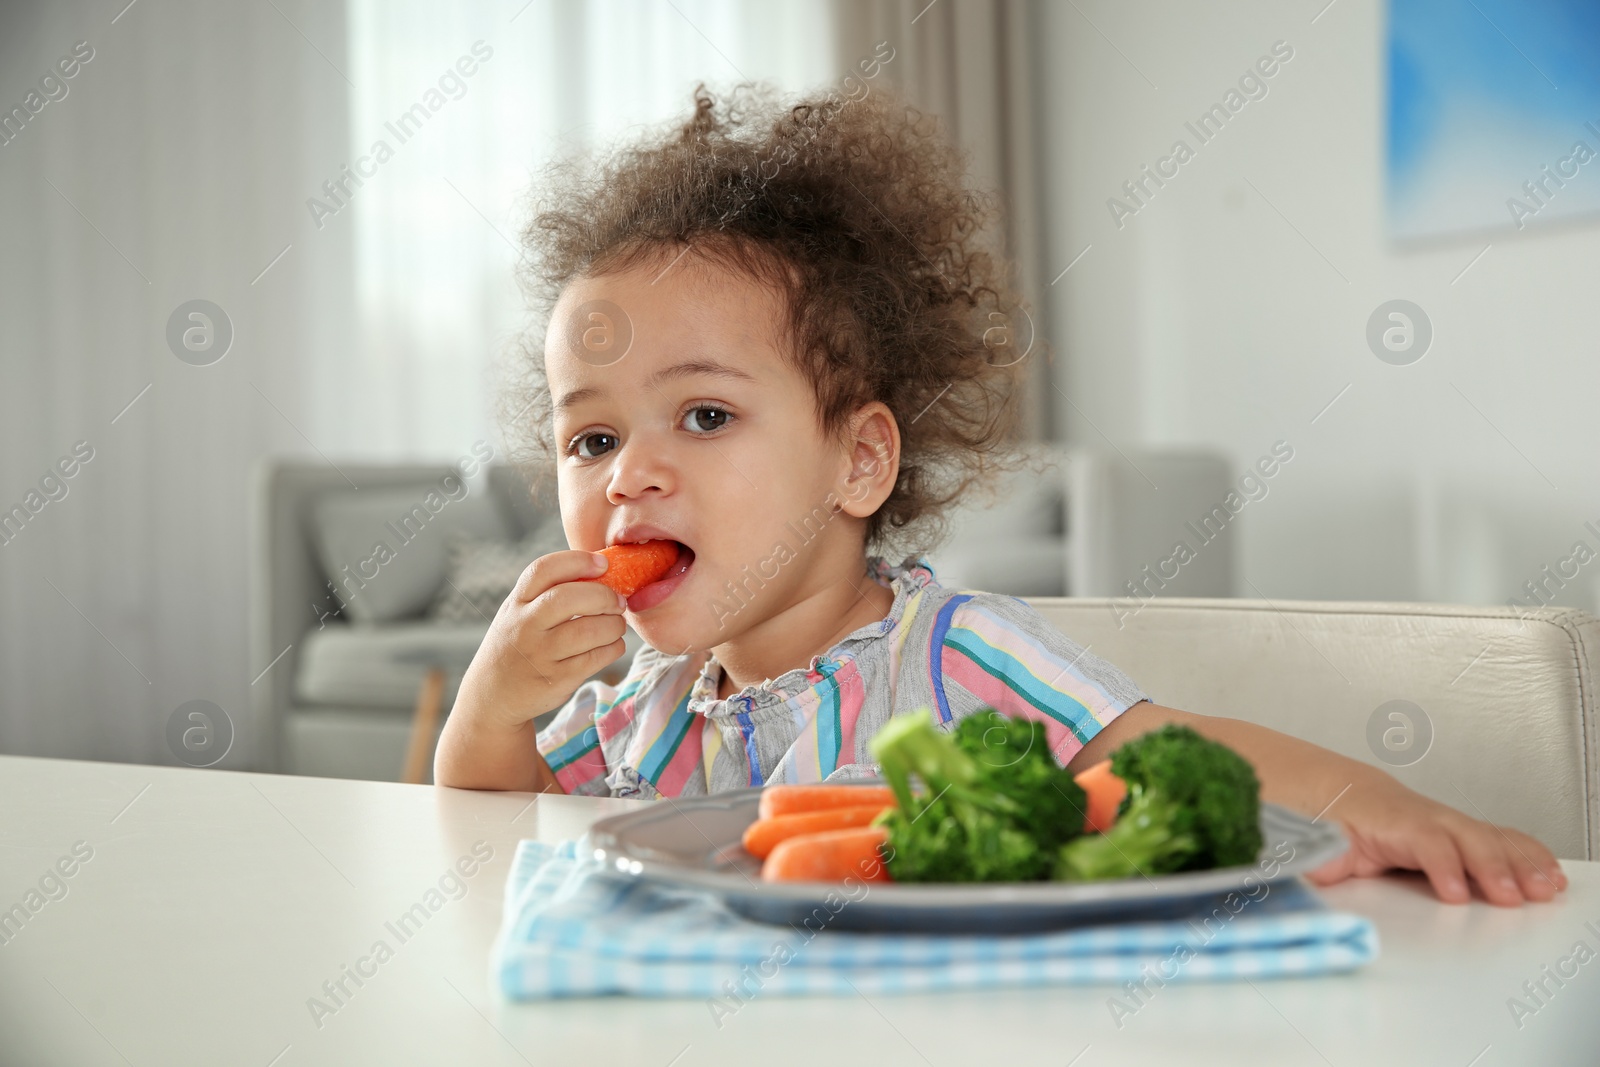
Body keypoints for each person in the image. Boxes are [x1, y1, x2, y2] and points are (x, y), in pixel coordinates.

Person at [435, 82, 1565, 907]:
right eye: (590, 435)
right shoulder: (646, 696)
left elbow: (1160, 747)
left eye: (706, 415)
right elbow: (487, 829)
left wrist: (1379, 800)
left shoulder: (952, 653)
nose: (627, 472)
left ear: (857, 463)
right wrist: (490, 705)